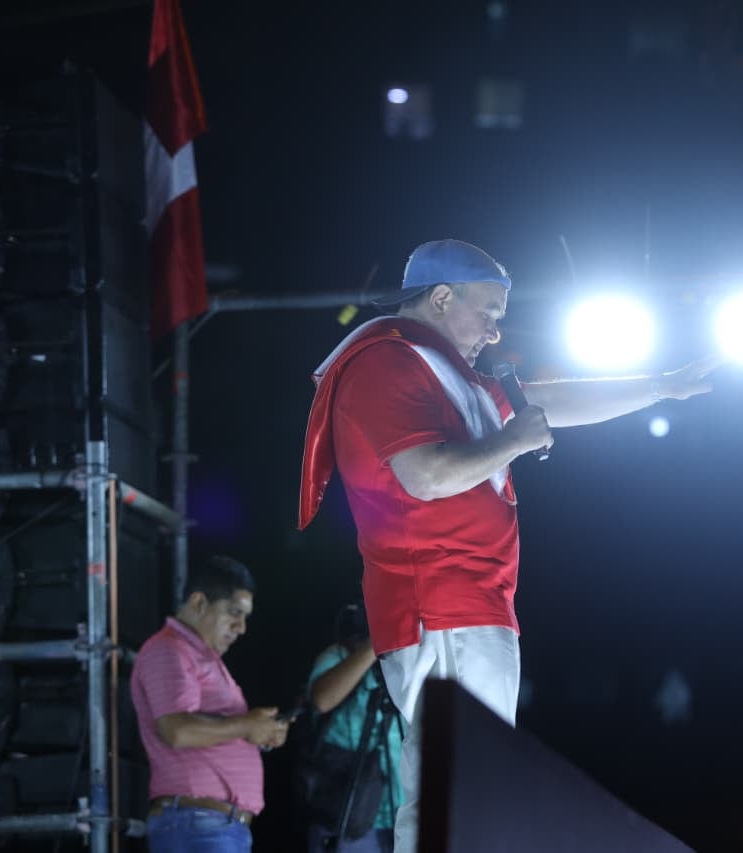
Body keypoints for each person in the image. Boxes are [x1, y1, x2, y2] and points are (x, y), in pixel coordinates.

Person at [297, 238, 715, 852]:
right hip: (438, 603)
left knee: (470, 782)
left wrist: (658, 386)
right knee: (456, 783)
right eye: (488, 313)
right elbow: (428, 475)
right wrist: (514, 441)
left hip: (472, 603)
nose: (495, 333)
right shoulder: (386, 361)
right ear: (441, 297)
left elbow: (547, 401)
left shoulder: (447, 370)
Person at [130, 555, 291, 853]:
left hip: (215, 828)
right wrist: (248, 725)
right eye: (233, 613)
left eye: (245, 617)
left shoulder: (202, 657)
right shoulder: (170, 650)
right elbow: (177, 730)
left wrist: (260, 732)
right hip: (199, 826)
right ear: (198, 602)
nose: (241, 627)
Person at [300, 601, 403, 852]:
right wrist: (377, 642)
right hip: (344, 813)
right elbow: (322, 699)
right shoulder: (338, 655)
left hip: (398, 819)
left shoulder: (401, 665)